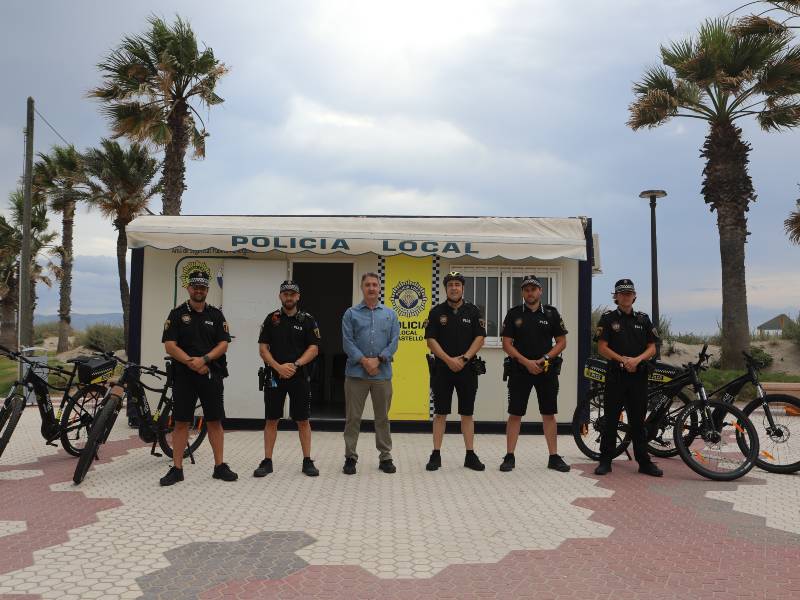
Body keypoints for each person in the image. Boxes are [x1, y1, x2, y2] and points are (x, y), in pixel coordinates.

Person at [160, 269, 238, 486]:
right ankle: (177, 469)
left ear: (207, 290)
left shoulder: (215, 314)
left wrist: (204, 360)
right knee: (181, 422)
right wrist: (190, 362)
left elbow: (223, 344)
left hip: (210, 375)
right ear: (189, 288)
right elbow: (170, 345)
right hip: (184, 376)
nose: (199, 290)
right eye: (195, 287)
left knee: (214, 421)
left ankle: (219, 466)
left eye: (203, 287)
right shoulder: (176, 314)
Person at [500, 275, 570, 472]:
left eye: (533, 289)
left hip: (545, 370)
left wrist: (545, 358)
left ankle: (554, 457)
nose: (530, 292)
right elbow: (506, 344)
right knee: (515, 414)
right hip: (520, 371)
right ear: (522, 293)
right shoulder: (514, 314)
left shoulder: (551, 314)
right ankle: (509, 456)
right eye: (526, 289)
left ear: (540, 291)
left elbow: (562, 342)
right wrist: (526, 362)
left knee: (549, 414)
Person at [594, 278, 662, 477]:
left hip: (638, 377)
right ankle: (605, 461)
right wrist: (623, 360)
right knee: (611, 420)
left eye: (629, 293)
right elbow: (602, 348)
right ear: (616, 297)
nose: (625, 296)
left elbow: (652, 347)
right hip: (616, 376)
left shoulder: (643, 319)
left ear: (634, 296)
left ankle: (644, 462)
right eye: (621, 293)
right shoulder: (607, 319)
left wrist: (637, 360)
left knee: (638, 422)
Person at [254, 280, 321, 478]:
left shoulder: (308, 320)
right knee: (272, 419)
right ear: (280, 296)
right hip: (275, 376)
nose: (289, 297)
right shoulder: (271, 319)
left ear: (298, 297)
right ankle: (267, 461)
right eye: (285, 294)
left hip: (299, 376)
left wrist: (296, 364)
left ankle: (307, 460)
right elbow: (263, 348)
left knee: (303, 420)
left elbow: (314, 348)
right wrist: (278, 367)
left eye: (292, 294)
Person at [424, 271, 486, 471]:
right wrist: (449, 360)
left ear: (462, 288)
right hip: (443, 369)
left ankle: (470, 455)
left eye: (457, 284)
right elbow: (430, 340)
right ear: (446, 288)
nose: (454, 288)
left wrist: (465, 358)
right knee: (440, 414)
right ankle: (436, 454)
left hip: (467, 370)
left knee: (467, 414)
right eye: (450, 284)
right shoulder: (436, 312)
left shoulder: (473, 311)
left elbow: (480, 338)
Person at [341, 272, 400, 475]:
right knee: (353, 417)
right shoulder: (350, 314)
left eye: (375, 284)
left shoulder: (390, 314)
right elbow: (347, 342)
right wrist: (365, 361)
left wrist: (379, 359)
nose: (372, 288)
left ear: (379, 288)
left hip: (382, 375)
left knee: (382, 417)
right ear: (362, 287)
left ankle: (385, 457)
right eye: (368, 285)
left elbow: (394, 342)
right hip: (356, 374)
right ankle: (350, 457)